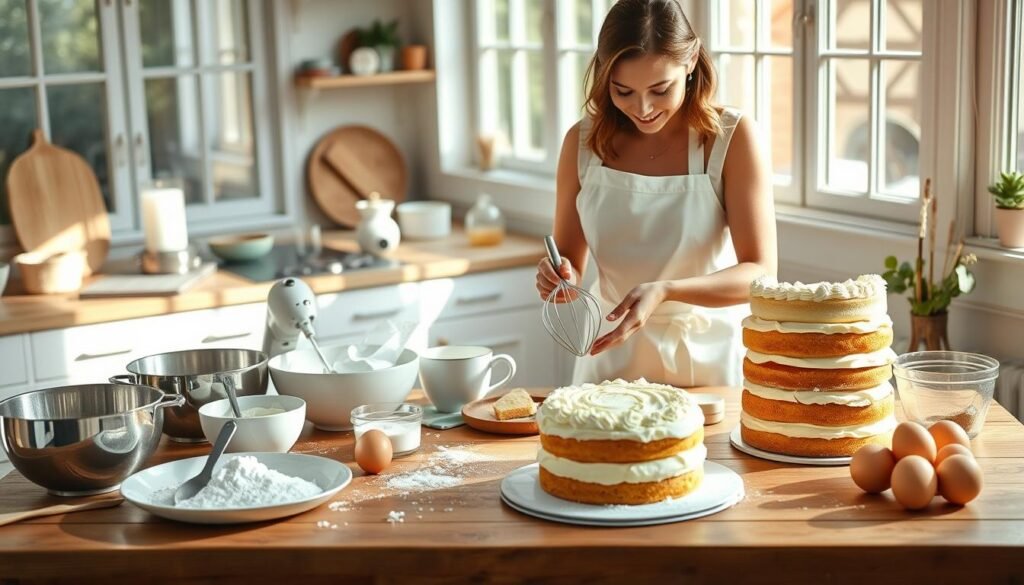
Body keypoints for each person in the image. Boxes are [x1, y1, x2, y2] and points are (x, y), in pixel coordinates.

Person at [535, 0, 777, 387]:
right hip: (611, 355)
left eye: (660, 89)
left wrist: (666, 291)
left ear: (692, 59)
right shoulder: (581, 142)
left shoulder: (731, 137)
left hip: (708, 360)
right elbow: (570, 262)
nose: (643, 108)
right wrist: (559, 278)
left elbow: (761, 273)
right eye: (623, 91)